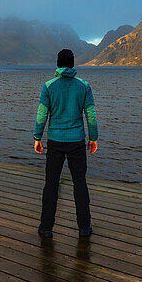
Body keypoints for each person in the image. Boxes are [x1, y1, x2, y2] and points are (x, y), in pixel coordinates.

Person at [33, 48, 98, 238]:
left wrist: (37, 137)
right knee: (80, 184)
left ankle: (46, 228)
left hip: (55, 141)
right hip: (77, 142)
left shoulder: (48, 86)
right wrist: (93, 138)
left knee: (51, 184)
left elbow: (42, 115)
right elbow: (91, 116)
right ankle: (84, 228)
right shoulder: (84, 86)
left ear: (58, 64)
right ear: (73, 64)